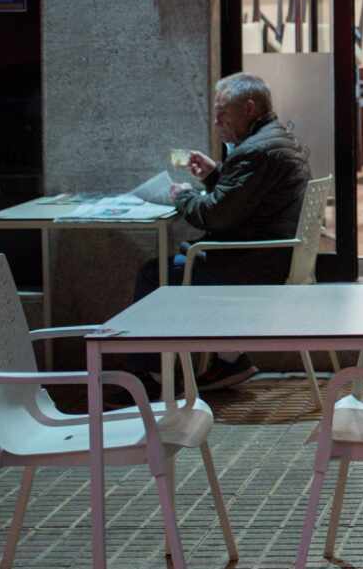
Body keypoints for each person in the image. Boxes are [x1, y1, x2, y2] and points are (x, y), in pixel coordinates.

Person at [129, 73, 310, 393]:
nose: (216, 122)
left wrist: (181, 195)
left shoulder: (254, 151)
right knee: (173, 266)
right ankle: (230, 361)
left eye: (222, 113)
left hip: (251, 264)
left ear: (250, 108)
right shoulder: (279, 138)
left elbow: (215, 216)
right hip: (270, 256)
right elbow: (246, 204)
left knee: (153, 274)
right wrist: (215, 176)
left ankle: (152, 379)